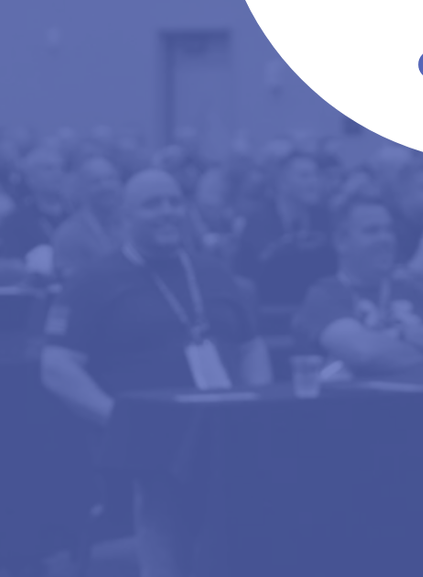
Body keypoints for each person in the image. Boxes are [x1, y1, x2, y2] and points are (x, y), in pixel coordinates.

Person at [42, 169, 270, 421]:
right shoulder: (92, 280)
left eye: (175, 202)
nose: (167, 212)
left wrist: (255, 400)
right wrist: (116, 419)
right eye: (152, 205)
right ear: (125, 216)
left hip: (224, 425)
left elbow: (251, 346)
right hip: (148, 434)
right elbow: (57, 366)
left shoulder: (215, 272)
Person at [292, 197, 423, 378]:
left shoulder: (414, 287)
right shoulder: (324, 295)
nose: (385, 239)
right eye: (372, 231)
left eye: (389, 230)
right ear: (341, 241)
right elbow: (364, 353)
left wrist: (400, 334)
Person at [232, 152, 336, 308]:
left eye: (315, 175)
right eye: (304, 176)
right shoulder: (258, 219)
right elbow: (257, 271)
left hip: (314, 303)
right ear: (283, 183)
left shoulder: (322, 217)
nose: (313, 182)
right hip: (270, 305)